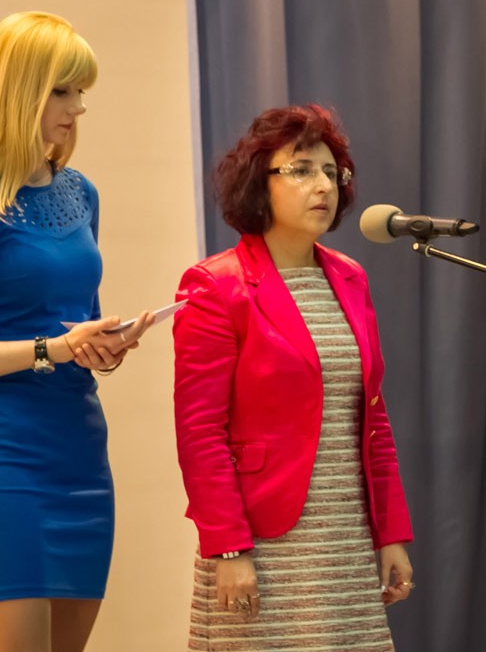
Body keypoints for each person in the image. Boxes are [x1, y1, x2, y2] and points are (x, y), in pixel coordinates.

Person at [0, 11, 154, 652]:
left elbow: (74, 324)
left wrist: (101, 347)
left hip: (82, 457)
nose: (78, 107)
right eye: (62, 91)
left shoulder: (82, 194)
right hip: (4, 465)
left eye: (81, 91)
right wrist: (53, 349)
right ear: (19, 91)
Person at [173, 104, 414, 650]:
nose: (323, 185)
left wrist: (391, 534)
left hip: (346, 537)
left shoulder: (349, 277)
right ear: (259, 183)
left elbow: (372, 421)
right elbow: (199, 434)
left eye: (331, 172)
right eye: (301, 170)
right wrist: (228, 547)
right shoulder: (215, 286)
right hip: (261, 540)